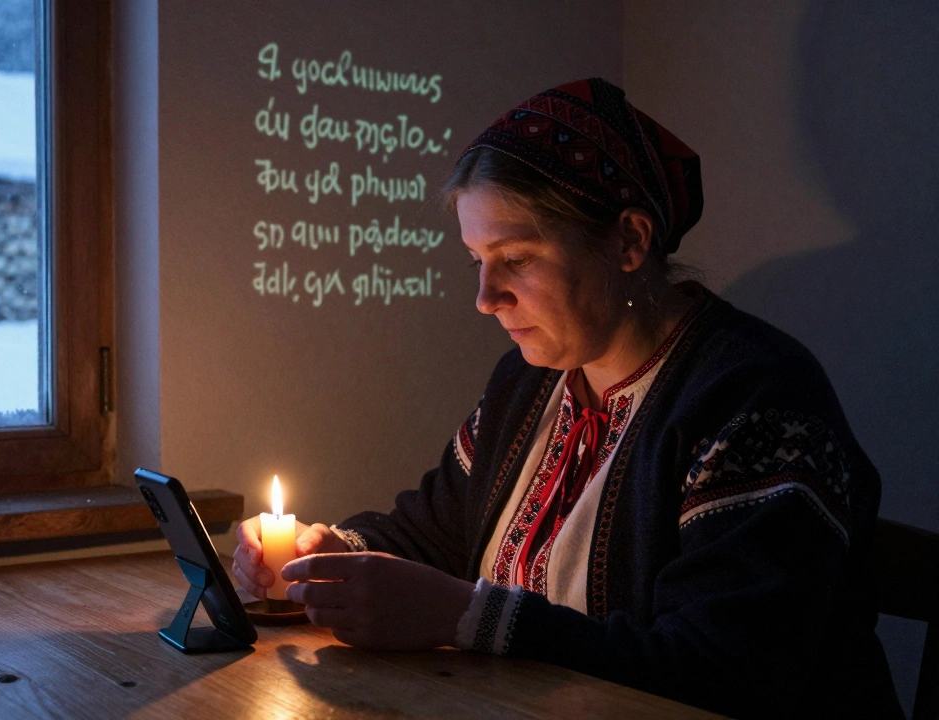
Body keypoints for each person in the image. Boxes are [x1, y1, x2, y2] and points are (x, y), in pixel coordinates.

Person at [232, 78, 903, 718]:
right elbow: (431, 533)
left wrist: (468, 615)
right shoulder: (526, 384)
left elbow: (724, 674)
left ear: (630, 241)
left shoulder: (753, 396)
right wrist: (324, 556)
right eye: (477, 262)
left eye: (516, 258)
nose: (485, 298)